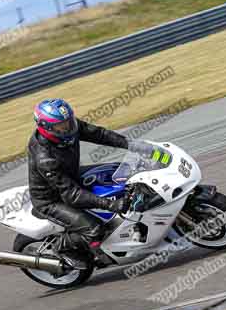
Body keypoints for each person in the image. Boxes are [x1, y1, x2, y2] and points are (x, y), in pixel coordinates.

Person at [27, 98, 151, 269]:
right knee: (94, 229)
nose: (67, 128)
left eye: (69, 122)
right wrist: (111, 205)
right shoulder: (45, 158)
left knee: (120, 174)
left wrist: (130, 144)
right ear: (46, 127)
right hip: (52, 200)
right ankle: (60, 248)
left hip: (71, 176)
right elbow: (72, 195)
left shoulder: (71, 128)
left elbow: (99, 134)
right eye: (61, 126)